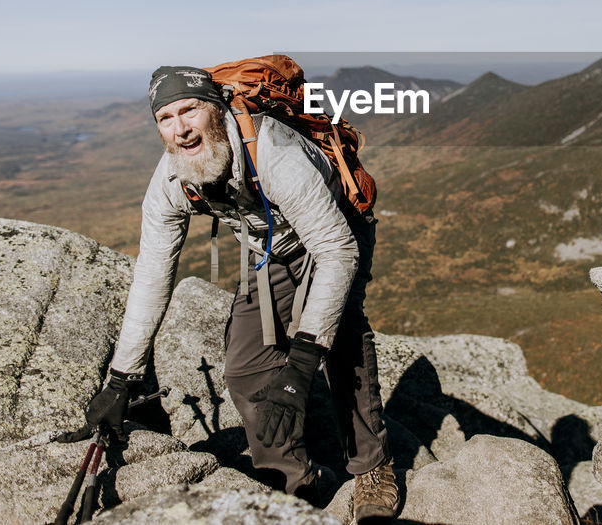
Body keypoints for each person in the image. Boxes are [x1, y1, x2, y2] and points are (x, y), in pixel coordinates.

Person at [70, 66, 400, 521]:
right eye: (165, 118)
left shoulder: (276, 153)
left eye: (189, 111)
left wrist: (302, 363)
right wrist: (121, 380)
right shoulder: (172, 181)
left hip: (335, 231)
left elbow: (337, 252)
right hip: (272, 246)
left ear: (216, 110)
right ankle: (292, 483)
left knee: (340, 341)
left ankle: (373, 466)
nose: (180, 129)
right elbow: (152, 272)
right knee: (246, 369)